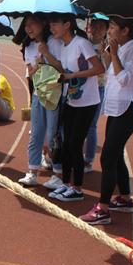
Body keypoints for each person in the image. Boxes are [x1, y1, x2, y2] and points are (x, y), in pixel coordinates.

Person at [79, 17, 133, 224]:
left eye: (112, 27)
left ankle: (103, 208)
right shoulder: (123, 46)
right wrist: (108, 54)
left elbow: (124, 78)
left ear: (125, 30)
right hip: (118, 108)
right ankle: (125, 198)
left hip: (128, 109)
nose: (108, 31)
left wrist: (115, 54)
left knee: (108, 157)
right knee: (115, 154)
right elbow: (111, 71)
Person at [46, 14, 104, 202]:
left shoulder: (82, 43)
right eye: (51, 24)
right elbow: (64, 71)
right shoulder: (64, 47)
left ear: (67, 25)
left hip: (87, 102)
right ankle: (66, 184)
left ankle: (77, 188)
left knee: (75, 144)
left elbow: (98, 69)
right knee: (65, 142)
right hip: (71, 100)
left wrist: (72, 77)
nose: (52, 27)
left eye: (55, 23)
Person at [17, 14, 64, 187]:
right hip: (38, 95)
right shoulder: (29, 47)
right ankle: (32, 172)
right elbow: (30, 74)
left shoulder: (54, 42)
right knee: (36, 134)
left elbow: (61, 67)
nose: (28, 28)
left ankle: (58, 174)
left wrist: (46, 54)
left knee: (53, 135)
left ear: (43, 24)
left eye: (32, 24)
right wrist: (38, 62)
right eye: (26, 25)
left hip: (55, 96)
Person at [84, 16, 110, 172]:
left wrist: (104, 54)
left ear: (106, 30)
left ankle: (88, 160)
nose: (96, 30)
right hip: (80, 88)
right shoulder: (82, 42)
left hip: (97, 88)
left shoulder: (106, 48)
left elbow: (108, 69)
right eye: (94, 26)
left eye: (101, 27)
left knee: (91, 126)